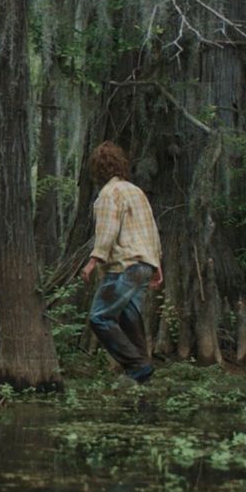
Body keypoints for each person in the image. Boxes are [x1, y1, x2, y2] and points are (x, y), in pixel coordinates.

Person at [80, 141, 163, 384]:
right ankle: (142, 373)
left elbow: (108, 230)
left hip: (125, 266)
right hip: (144, 265)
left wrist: (93, 260)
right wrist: (156, 265)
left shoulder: (109, 194)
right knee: (129, 319)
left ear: (97, 170)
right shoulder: (136, 191)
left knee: (99, 317)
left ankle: (137, 366)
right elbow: (151, 230)